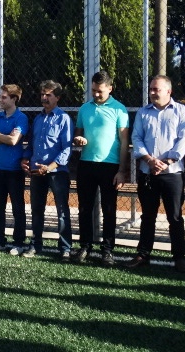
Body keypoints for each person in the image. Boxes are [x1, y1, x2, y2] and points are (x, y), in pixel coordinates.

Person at [125, 75, 185, 273]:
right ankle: (143, 255)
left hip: (172, 173)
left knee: (175, 217)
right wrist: (149, 160)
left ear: (169, 91)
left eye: (157, 89)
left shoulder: (181, 111)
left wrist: (167, 161)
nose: (153, 92)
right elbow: (137, 137)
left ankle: (179, 257)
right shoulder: (143, 113)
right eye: (151, 89)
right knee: (148, 216)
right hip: (148, 172)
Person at [72, 71, 129, 267]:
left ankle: (107, 250)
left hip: (110, 166)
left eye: (100, 91)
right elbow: (78, 134)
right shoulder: (84, 108)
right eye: (93, 90)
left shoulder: (119, 109)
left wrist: (121, 170)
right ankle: (85, 246)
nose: (96, 94)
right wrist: (78, 139)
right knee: (84, 208)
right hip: (86, 164)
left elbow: (124, 141)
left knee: (109, 209)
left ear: (110, 89)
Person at [21, 80, 73, 261]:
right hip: (37, 172)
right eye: (42, 94)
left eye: (48, 95)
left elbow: (66, 149)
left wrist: (50, 167)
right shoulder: (38, 119)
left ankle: (65, 248)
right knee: (36, 209)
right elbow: (31, 145)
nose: (44, 98)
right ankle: (35, 244)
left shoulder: (64, 119)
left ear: (57, 98)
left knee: (62, 211)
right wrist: (25, 159)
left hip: (57, 173)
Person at [0, 84, 29, 255]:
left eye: (4, 97)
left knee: (17, 207)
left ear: (14, 99)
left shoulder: (21, 118)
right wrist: (1, 136)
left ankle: (18, 242)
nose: (0, 100)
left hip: (14, 170)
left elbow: (13, 141)